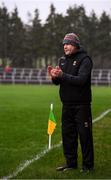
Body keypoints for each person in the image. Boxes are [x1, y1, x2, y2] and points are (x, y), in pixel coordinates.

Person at [48, 33, 94, 173]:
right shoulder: (62, 60)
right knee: (68, 136)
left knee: (85, 137)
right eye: (63, 44)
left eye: (68, 43)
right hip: (66, 105)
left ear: (75, 45)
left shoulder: (85, 59)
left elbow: (81, 80)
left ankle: (88, 167)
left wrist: (62, 75)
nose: (65, 46)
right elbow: (60, 81)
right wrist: (55, 77)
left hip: (82, 106)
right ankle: (71, 164)